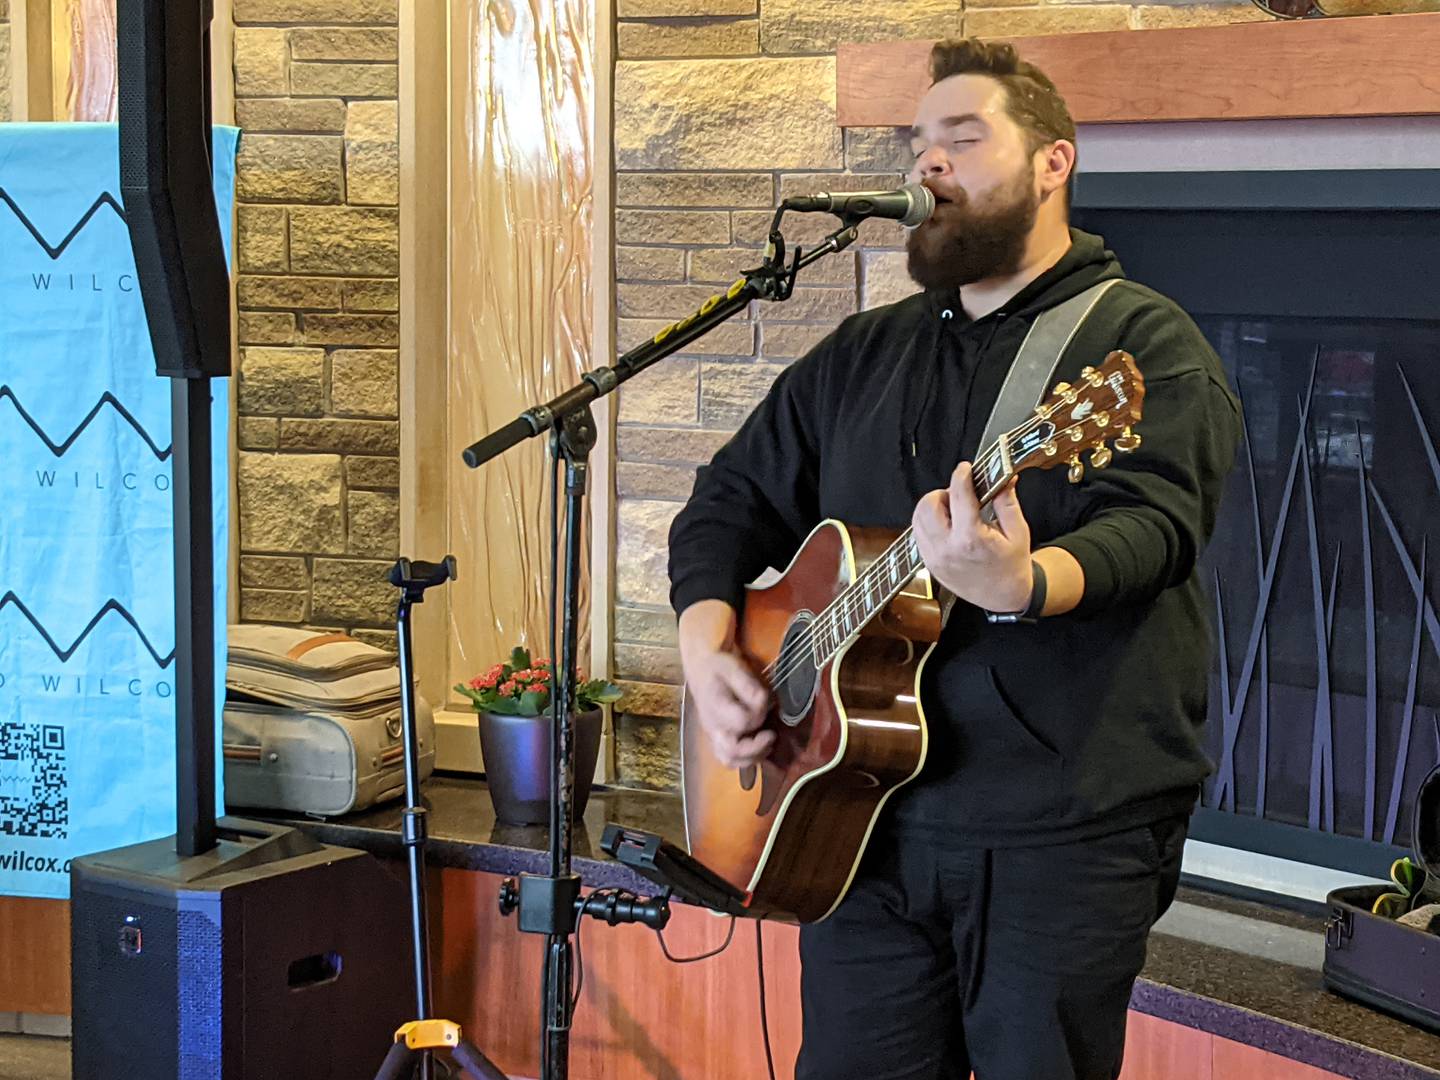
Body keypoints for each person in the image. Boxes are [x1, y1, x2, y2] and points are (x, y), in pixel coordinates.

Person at [667, 36, 1243, 1080]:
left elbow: (1155, 527)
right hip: (856, 821)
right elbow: (728, 500)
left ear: (1053, 162)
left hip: (1062, 834)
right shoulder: (864, 351)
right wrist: (709, 648)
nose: (926, 164)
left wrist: (1020, 582)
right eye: (918, 141)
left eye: (962, 139)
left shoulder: (1138, 349)